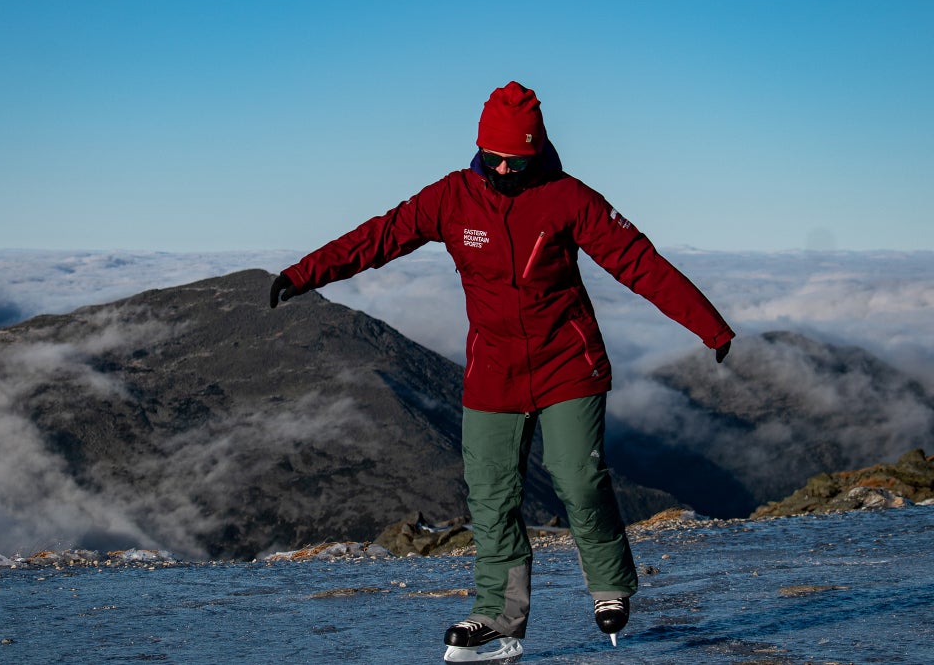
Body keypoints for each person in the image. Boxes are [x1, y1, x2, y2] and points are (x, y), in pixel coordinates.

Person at [268, 81, 734, 659]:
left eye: (518, 158)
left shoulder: (570, 198)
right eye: (496, 157)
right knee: (491, 496)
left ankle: (609, 584)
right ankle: (497, 617)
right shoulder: (452, 198)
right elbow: (379, 237)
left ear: (538, 150)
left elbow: (638, 262)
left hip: (569, 363)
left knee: (578, 478)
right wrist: (301, 274)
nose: (507, 168)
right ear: (480, 148)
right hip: (493, 371)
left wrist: (710, 326)